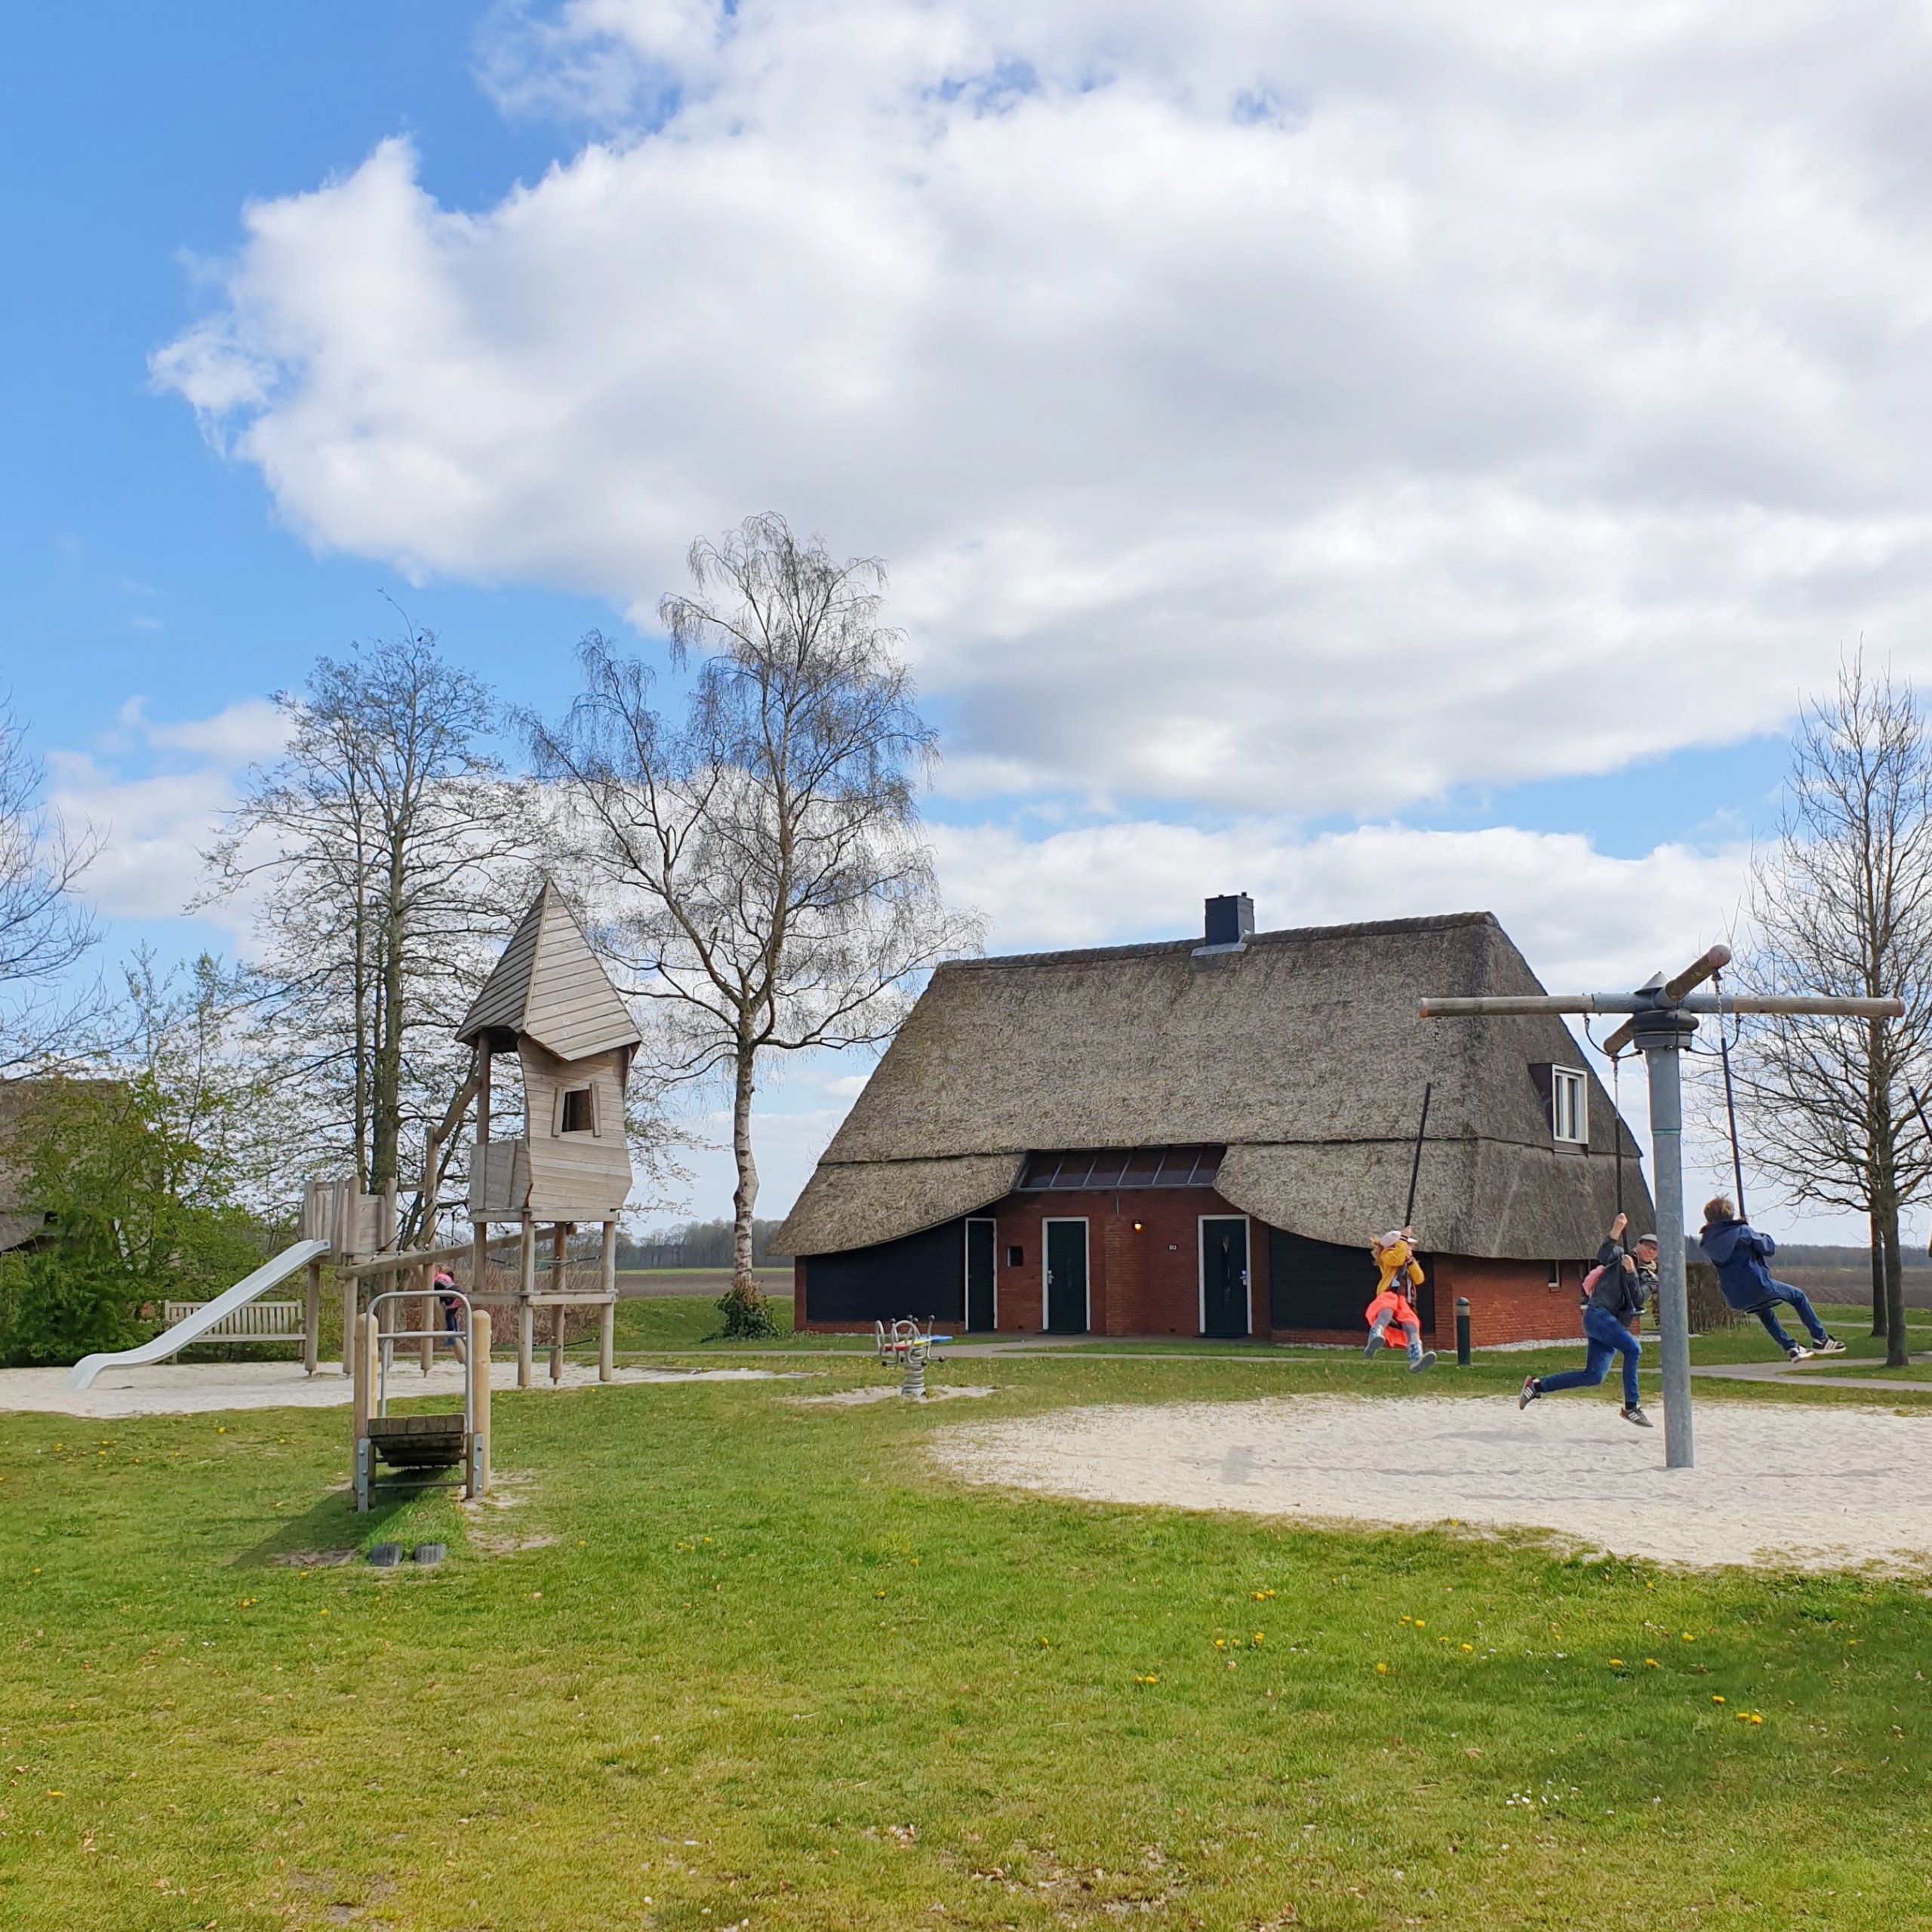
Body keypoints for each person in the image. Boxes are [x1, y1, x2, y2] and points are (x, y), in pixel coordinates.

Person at [1518, 1211, 1654, 1426]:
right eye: (1647, 1245)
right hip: (1598, 1315)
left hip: (1613, 1325)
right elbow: (1603, 1254)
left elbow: (1638, 1298)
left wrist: (1631, 1274)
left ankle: (1536, 1386)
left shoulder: (1650, 1278)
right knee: (1633, 1349)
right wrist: (1616, 1230)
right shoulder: (1620, 1256)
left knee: (1594, 1376)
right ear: (1637, 1246)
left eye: (1654, 1249)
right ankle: (1631, 1406)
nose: (1650, 1251)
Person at [1697, 1196, 1845, 1361]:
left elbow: (1727, 1238)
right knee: (1798, 1296)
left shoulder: (1708, 1241)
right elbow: (1768, 1247)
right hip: (1759, 1286)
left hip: (1735, 1296)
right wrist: (1749, 1230)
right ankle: (1821, 1339)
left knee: (1764, 1313)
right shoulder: (1742, 1233)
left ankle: (1791, 1348)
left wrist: (1740, 1227)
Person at [1364, 1228, 1436, 1373]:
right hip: (1390, 1294)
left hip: (1404, 1300)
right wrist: (1403, 1239)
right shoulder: (1387, 1256)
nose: (1410, 1248)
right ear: (1396, 1245)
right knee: (1386, 1310)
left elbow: (1419, 1278)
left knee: (1412, 1323)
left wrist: (1411, 1261)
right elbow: (1396, 1258)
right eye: (1407, 1245)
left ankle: (1416, 1357)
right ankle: (1376, 1334)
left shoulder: (1408, 1261)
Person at [433, 1266, 468, 1366]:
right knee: (451, 1315)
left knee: (449, 1316)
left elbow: (437, 1289)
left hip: (455, 1296)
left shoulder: (438, 1279)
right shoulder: (445, 1278)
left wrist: (439, 1300)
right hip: (459, 1294)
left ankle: (452, 1335)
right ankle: (455, 1331)